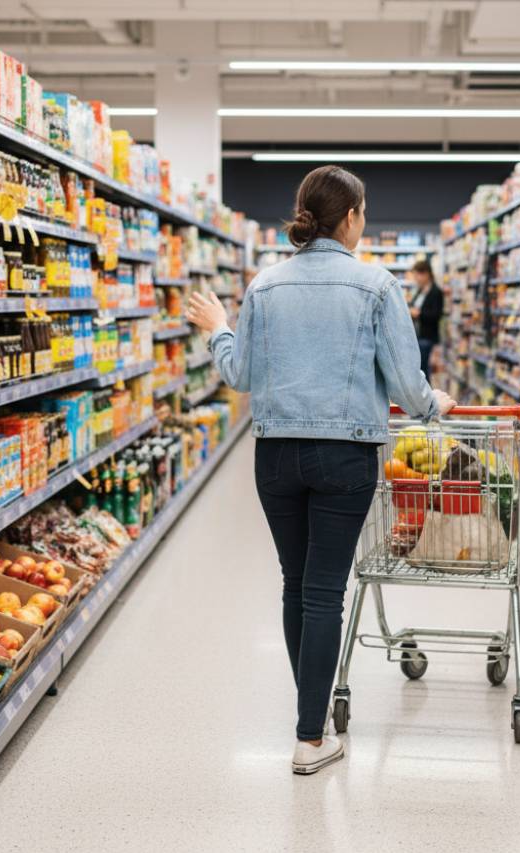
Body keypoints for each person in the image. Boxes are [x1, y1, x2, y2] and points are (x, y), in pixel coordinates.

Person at [185, 165, 456, 776]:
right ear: (353, 217)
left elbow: (241, 377)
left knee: (295, 583)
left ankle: (311, 715)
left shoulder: (264, 285)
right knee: (324, 592)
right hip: (346, 453)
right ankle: (310, 737)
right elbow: (409, 386)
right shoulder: (377, 285)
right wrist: (433, 403)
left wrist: (219, 330)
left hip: (276, 455)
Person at [408, 259, 443, 381]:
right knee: (419, 369)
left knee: (424, 370)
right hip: (417, 336)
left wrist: (418, 314)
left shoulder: (436, 292)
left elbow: (436, 315)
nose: (416, 278)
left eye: (418, 275)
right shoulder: (419, 291)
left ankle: (428, 397)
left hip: (428, 338)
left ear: (426, 274)